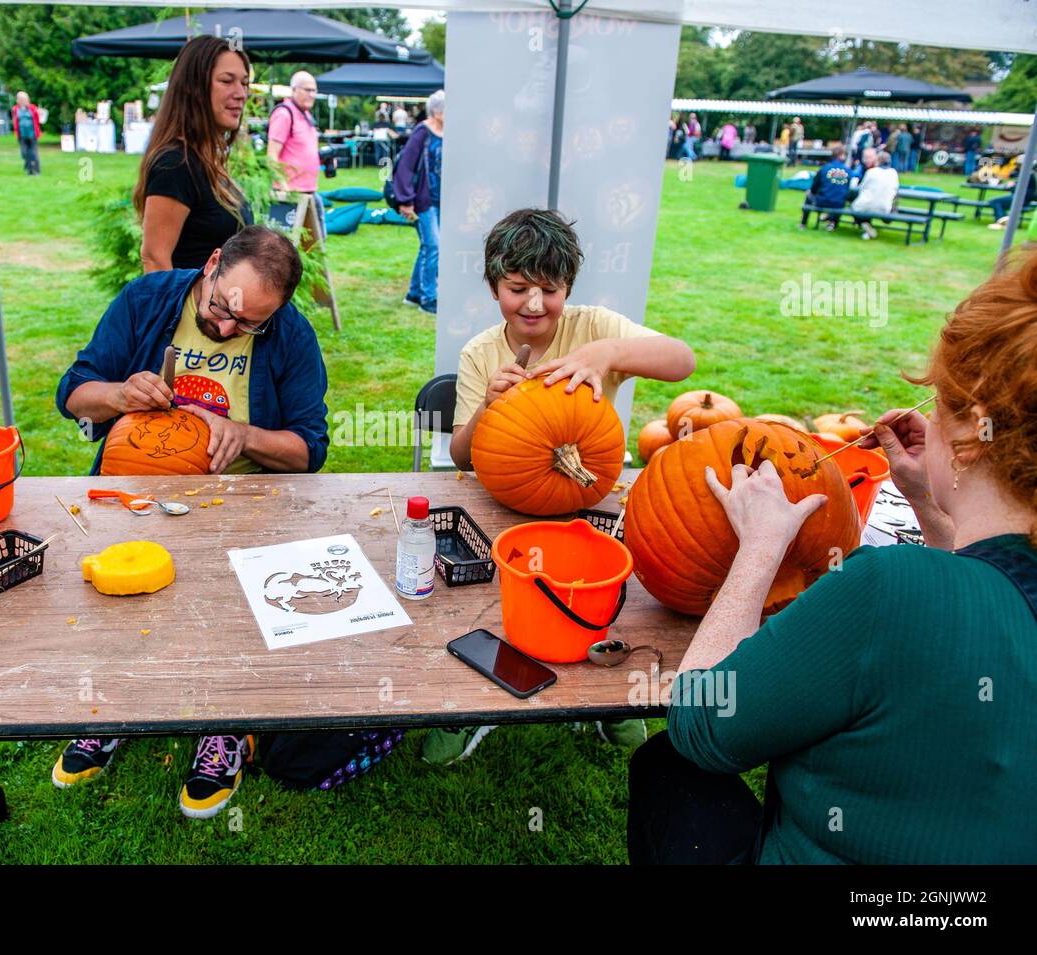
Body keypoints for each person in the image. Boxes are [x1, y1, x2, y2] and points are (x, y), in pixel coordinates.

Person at [628, 250, 1037, 864]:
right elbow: (984, 603)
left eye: (939, 400)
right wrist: (931, 505)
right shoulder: (977, 588)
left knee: (667, 762)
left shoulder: (886, 590)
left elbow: (704, 724)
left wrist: (760, 547)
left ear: (969, 430)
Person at [54, 225, 331, 817]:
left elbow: (310, 449)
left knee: (235, 614)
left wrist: (250, 435)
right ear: (211, 265)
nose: (229, 328)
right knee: (122, 602)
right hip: (138, 491)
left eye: (248, 324)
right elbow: (72, 394)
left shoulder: (290, 336)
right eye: (223, 308)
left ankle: (224, 726)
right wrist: (119, 395)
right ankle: (117, 706)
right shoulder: (147, 300)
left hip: (241, 507)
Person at [427, 209, 696, 765]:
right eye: (517, 288)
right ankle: (468, 708)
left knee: (602, 604)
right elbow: (459, 454)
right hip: (505, 505)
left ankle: (607, 705)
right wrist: (486, 408)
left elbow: (682, 362)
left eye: (549, 290)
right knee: (481, 611)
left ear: (567, 287)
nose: (532, 304)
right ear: (493, 285)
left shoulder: (594, 327)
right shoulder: (481, 352)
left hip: (588, 499)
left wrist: (609, 354)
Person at [135, 35, 253, 274]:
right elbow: (155, 259)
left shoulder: (208, 159)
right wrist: (177, 312)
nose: (240, 93)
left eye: (244, 82)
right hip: (192, 310)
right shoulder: (176, 164)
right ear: (193, 88)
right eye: (226, 81)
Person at [394, 89, 444, 314]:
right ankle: (428, 298)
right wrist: (405, 200)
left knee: (428, 246)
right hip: (424, 200)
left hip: (441, 200)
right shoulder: (422, 133)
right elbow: (405, 166)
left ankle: (413, 294)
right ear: (436, 111)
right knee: (433, 246)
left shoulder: (447, 133)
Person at [266, 71, 324, 230]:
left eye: (314, 90)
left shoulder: (306, 115)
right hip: (290, 194)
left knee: (316, 246)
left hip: (309, 191)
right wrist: (284, 189)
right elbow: (272, 155)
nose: (311, 94)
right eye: (307, 90)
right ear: (294, 90)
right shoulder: (284, 114)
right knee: (286, 247)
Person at [799, 145, 851, 231]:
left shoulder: (824, 169)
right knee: (839, 198)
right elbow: (848, 188)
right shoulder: (848, 171)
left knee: (809, 195)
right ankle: (832, 223)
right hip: (839, 204)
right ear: (841, 155)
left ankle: (803, 223)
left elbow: (814, 188)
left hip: (822, 201)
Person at [850, 150, 899, 239]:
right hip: (884, 208)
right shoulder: (894, 173)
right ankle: (867, 228)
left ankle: (864, 224)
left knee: (854, 203)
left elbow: (861, 187)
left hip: (864, 206)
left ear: (877, 160)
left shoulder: (871, 172)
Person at [985, 157, 1036, 230]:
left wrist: (1011, 186)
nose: (1017, 167)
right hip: (1022, 198)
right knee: (997, 201)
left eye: (1019, 165)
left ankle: (1002, 222)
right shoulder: (1029, 174)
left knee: (995, 201)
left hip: (1021, 200)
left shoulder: (1028, 175)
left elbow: (1020, 190)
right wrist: (1014, 184)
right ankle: (1004, 221)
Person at [11, 91, 41, 175]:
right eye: (21, 99)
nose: (23, 100)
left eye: (24, 99)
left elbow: (38, 119)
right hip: (22, 135)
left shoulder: (32, 108)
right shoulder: (15, 109)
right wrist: (16, 131)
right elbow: (15, 120)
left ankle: (36, 170)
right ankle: (28, 168)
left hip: (32, 134)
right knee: (24, 153)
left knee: (33, 153)